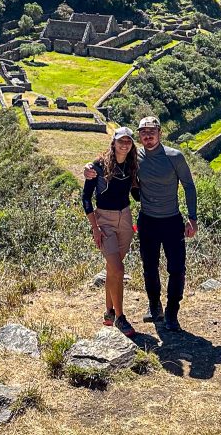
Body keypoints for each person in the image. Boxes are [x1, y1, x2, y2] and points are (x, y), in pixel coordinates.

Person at [86, 116, 197, 332]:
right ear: (139, 136)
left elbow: (189, 186)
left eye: (151, 131)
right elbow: (108, 160)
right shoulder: (134, 158)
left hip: (172, 219)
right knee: (149, 267)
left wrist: (192, 218)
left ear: (160, 132)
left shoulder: (175, 157)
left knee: (176, 268)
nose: (147, 135)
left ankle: (172, 311)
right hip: (147, 220)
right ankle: (154, 306)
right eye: (143, 132)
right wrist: (88, 168)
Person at [82, 126, 140, 337]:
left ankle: (108, 312)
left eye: (128, 141)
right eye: (121, 141)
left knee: (113, 270)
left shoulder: (133, 165)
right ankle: (120, 317)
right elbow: (86, 198)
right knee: (118, 268)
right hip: (104, 220)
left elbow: (137, 195)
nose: (124, 144)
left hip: (125, 219)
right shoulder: (97, 166)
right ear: (113, 142)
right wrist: (95, 228)